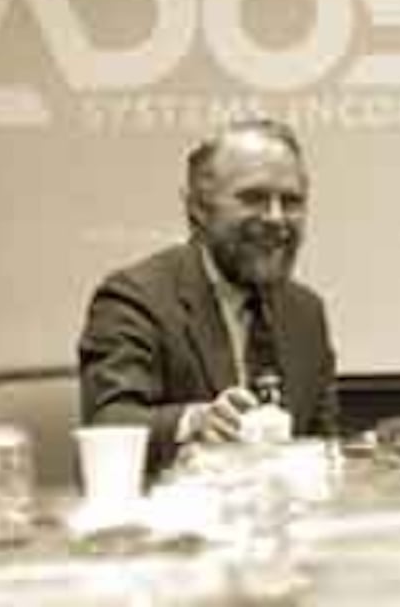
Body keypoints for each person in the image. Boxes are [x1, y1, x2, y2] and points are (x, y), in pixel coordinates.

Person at [78, 118, 338, 471]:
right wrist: (193, 423)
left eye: (291, 201)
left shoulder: (305, 313)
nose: (277, 218)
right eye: (254, 198)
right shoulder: (136, 298)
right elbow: (109, 422)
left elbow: (323, 446)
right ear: (198, 208)